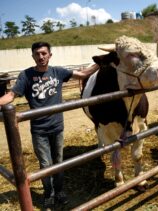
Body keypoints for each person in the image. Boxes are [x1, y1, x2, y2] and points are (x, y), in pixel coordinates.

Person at [0, 42, 99, 209]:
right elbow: (11, 95)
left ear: (49, 55)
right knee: (45, 164)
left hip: (57, 127)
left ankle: (60, 192)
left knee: (59, 161)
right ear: (33, 56)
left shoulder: (58, 72)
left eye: (44, 53)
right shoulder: (26, 75)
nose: (41, 57)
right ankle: (49, 194)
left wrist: (103, 61)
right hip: (39, 130)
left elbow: (83, 74)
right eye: (37, 54)